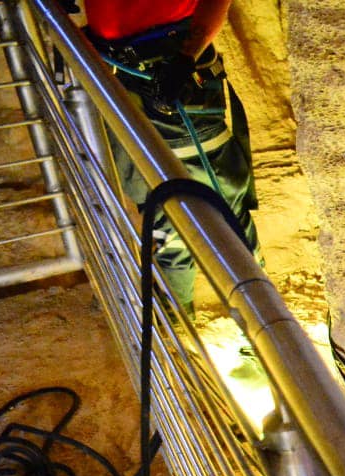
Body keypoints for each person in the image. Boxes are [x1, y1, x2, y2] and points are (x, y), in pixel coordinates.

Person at [80, 0, 261, 312]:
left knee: (218, 198)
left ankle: (260, 322)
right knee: (158, 204)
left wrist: (186, 57)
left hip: (176, 68)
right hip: (123, 74)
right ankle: (179, 318)